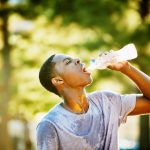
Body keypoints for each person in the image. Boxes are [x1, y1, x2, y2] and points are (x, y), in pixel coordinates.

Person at [37, 53, 150, 150]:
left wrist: (126, 68)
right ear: (58, 80)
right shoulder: (50, 125)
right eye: (67, 62)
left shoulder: (107, 101)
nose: (77, 59)